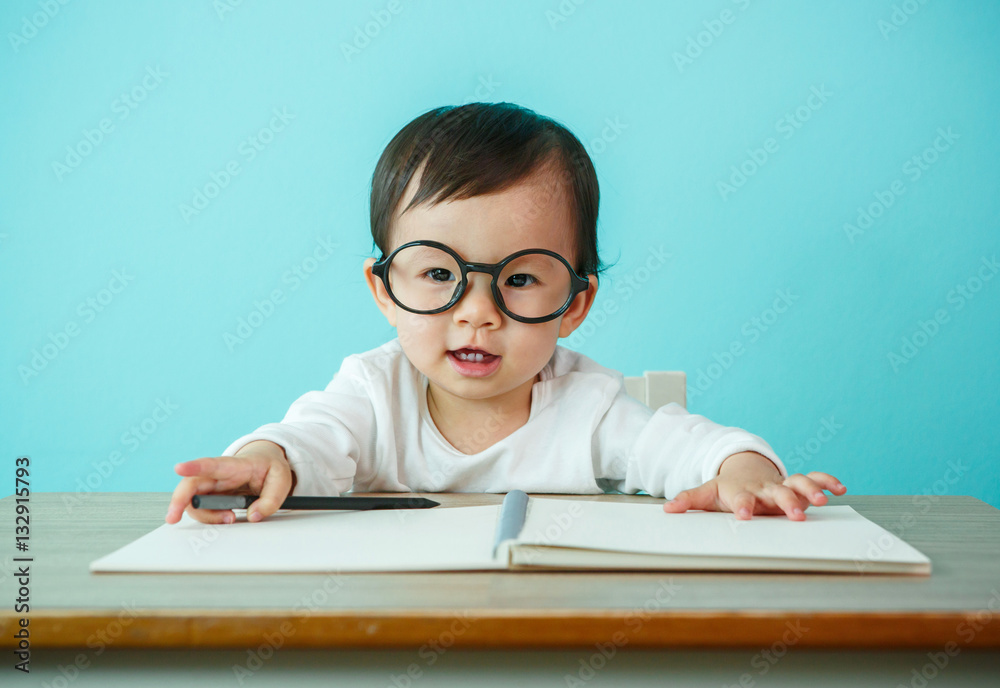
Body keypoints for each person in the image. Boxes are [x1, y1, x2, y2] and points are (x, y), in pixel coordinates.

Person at [165, 102, 845, 526]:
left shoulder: (591, 407)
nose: (477, 313)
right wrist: (261, 458)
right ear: (383, 288)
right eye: (438, 274)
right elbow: (305, 440)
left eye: (519, 279)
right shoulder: (372, 394)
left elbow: (687, 446)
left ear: (574, 304)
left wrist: (743, 470)